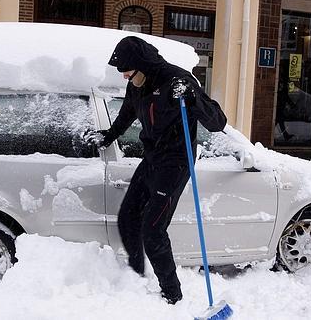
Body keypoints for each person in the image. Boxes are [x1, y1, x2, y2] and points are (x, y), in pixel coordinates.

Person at [86, 36, 227, 304]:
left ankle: (172, 295)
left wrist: (193, 97)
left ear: (142, 65)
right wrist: (108, 135)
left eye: (127, 70)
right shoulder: (137, 85)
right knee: (128, 215)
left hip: (175, 162)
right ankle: (136, 277)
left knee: (153, 230)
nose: (125, 76)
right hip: (152, 157)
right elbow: (127, 113)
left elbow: (218, 122)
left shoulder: (177, 80)